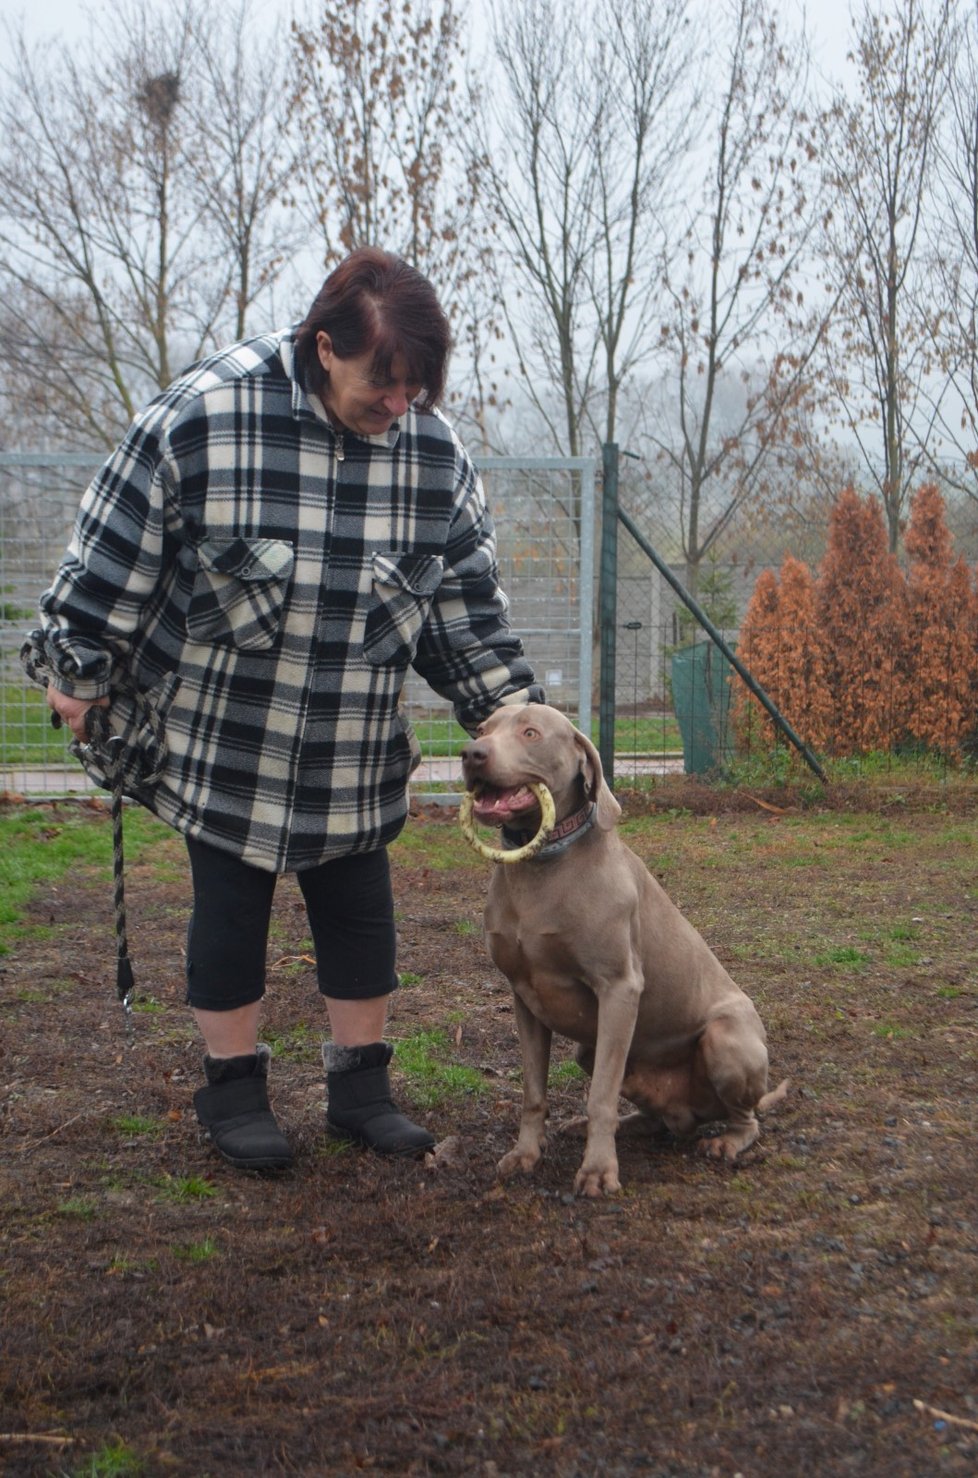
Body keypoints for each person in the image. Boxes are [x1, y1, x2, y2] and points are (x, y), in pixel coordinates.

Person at [33, 247, 543, 1172]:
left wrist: (519, 727)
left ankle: (361, 1091)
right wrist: (80, 665)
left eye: (416, 391)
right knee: (230, 909)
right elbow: (111, 546)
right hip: (228, 743)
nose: (398, 407)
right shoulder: (204, 417)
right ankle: (233, 1093)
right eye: (381, 383)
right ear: (323, 347)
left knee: (360, 912)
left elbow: (464, 613)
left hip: (354, 745)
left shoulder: (432, 456)